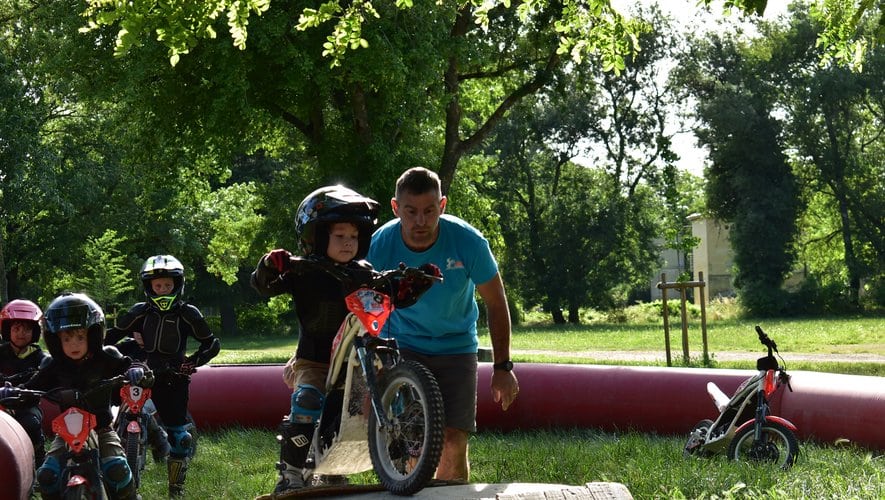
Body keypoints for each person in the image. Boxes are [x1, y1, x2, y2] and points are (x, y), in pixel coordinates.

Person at [251, 185, 435, 496]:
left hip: (357, 357)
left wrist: (412, 284)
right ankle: (290, 473)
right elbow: (263, 286)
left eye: (354, 236)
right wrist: (270, 265)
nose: (348, 242)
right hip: (313, 360)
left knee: (391, 374)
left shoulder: (365, 273)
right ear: (317, 236)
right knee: (308, 399)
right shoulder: (302, 270)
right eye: (339, 236)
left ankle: (402, 453)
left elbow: (392, 296)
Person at [366, 166, 520, 482]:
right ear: (396, 208)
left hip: (457, 346)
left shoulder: (468, 242)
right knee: (413, 442)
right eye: (411, 211)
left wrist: (503, 368)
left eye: (429, 211)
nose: (420, 221)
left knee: (453, 438)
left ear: (443, 205)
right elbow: (359, 302)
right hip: (404, 345)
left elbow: (496, 301)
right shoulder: (380, 245)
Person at [2, 293, 147, 500]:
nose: (74, 344)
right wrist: (12, 392)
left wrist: (137, 371)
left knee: (117, 468)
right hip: (66, 433)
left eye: (80, 337)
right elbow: (31, 388)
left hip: (102, 429)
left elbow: (132, 365)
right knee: (47, 475)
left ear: (93, 335)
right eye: (66, 338)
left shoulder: (107, 357)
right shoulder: (52, 366)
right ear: (55, 340)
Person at [105, 255, 220, 496]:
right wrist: (102, 355)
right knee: (122, 419)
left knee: (180, 438)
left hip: (173, 377)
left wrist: (190, 364)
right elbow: (109, 336)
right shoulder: (139, 311)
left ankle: (175, 489)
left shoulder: (188, 313)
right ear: (149, 287)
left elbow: (211, 344)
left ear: (177, 285)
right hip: (141, 373)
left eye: (168, 285)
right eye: (157, 286)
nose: (163, 290)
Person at [0, 299, 49, 467]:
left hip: (26, 405)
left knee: (31, 423)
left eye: (27, 329)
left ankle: (39, 456)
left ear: (35, 332)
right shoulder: (1, 352)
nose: (21, 333)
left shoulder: (40, 356)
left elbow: (47, 375)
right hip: (1, 403)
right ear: (7, 330)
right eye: (16, 328)